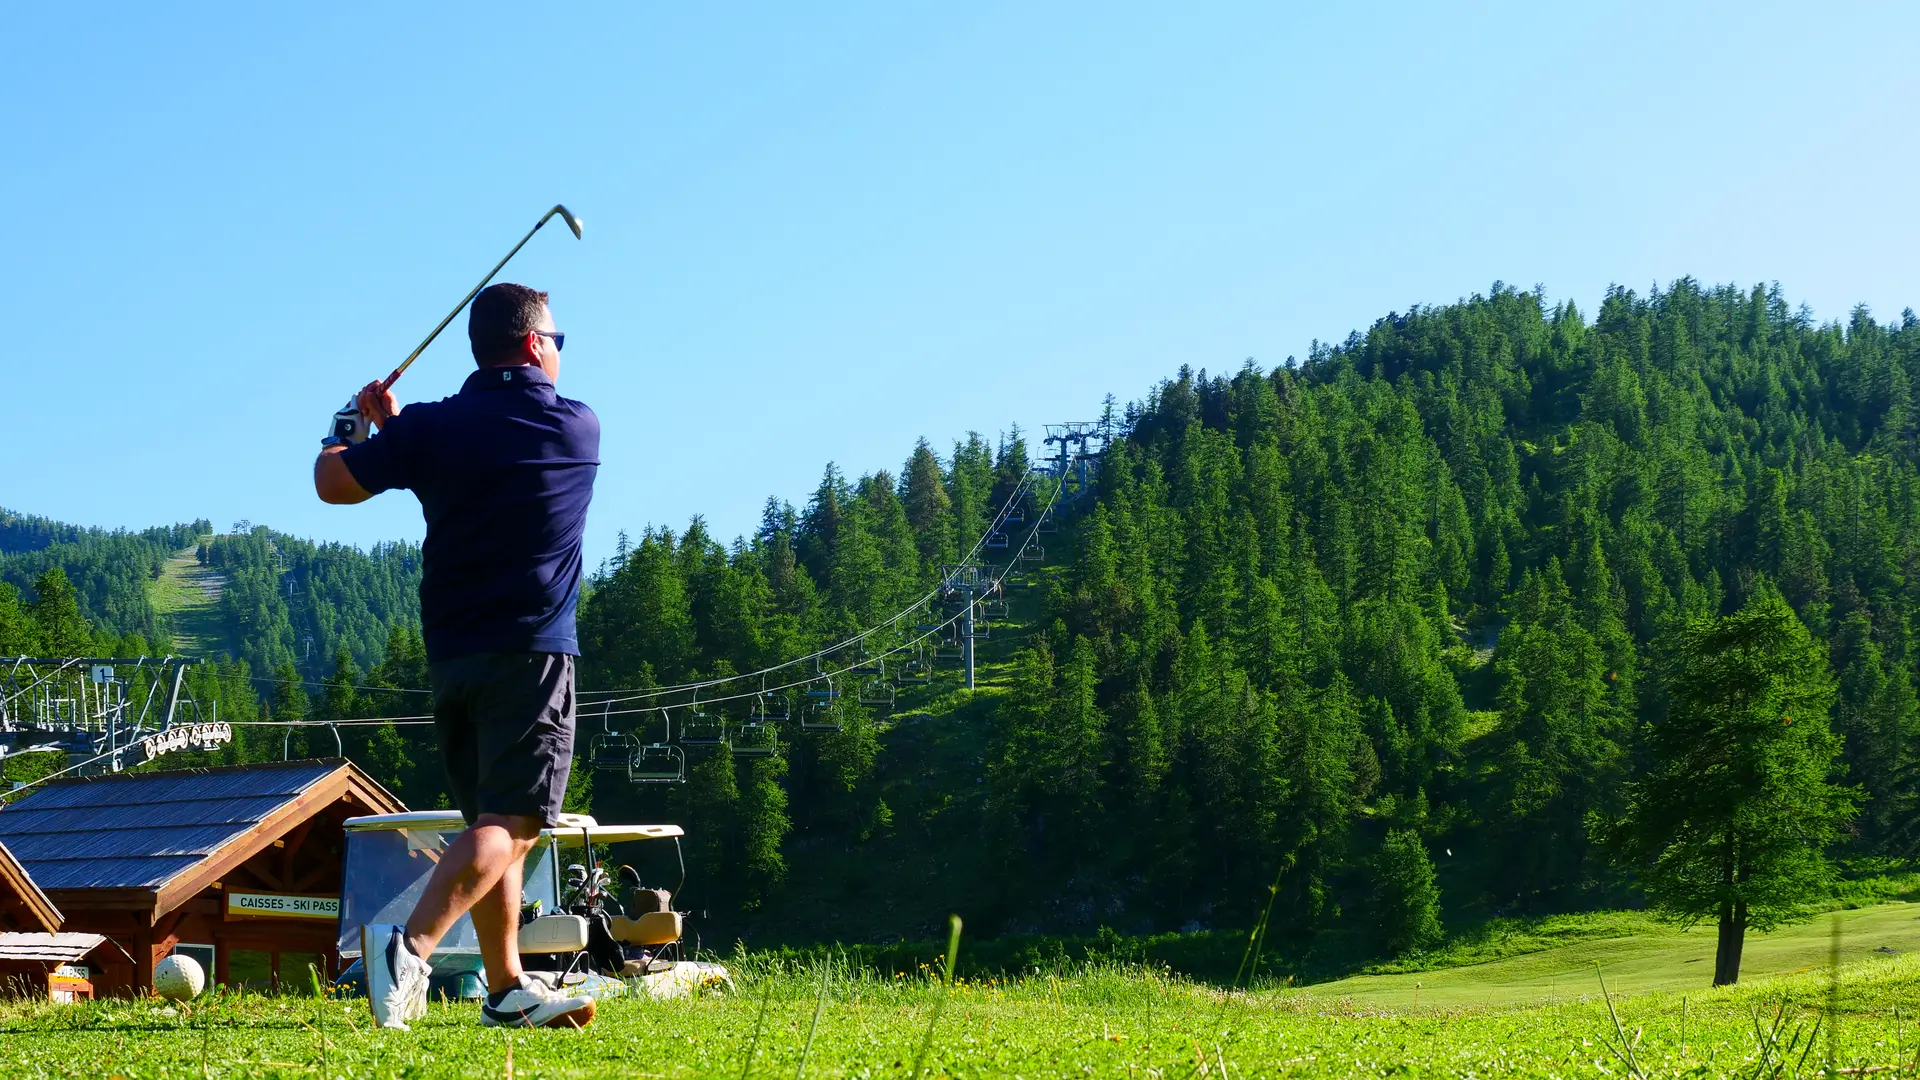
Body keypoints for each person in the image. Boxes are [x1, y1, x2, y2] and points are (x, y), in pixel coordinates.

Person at [314, 283, 600, 1030]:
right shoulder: (576, 427)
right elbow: (495, 452)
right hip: (531, 651)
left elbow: (333, 483)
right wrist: (404, 431)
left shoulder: (434, 429)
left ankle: (506, 987)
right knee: (518, 823)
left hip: (452, 655)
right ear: (536, 345)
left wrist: (353, 426)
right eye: (558, 342)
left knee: (490, 820)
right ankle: (409, 948)